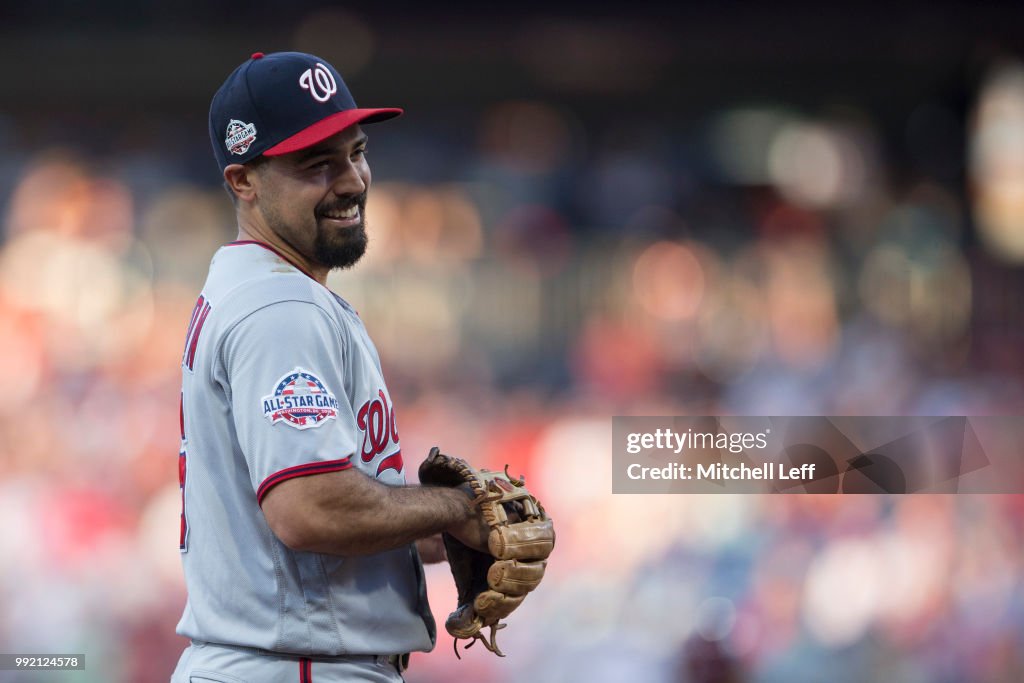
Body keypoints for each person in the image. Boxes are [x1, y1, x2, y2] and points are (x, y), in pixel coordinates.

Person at [170, 51, 489, 683]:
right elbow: (311, 510)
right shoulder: (280, 307)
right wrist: (455, 510)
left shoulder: (259, 286)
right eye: (317, 164)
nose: (352, 181)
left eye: (357, 152)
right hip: (296, 667)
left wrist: (440, 530)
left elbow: (319, 523)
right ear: (243, 181)